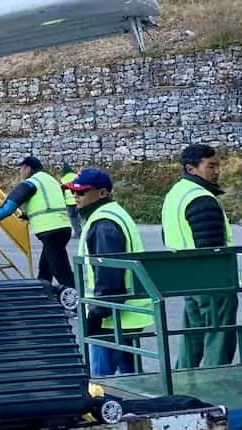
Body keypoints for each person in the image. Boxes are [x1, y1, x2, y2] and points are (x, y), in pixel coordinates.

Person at [66, 167, 153, 376]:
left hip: (111, 318)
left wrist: (96, 316)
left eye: (82, 192)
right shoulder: (113, 214)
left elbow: (109, 275)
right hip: (126, 315)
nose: (75, 197)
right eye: (73, 192)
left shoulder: (103, 223)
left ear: (102, 193)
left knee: (100, 384)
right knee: (131, 379)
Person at [161, 143, 238, 369]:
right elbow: (212, 246)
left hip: (188, 277)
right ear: (191, 169)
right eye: (210, 166)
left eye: (218, 166)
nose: (217, 171)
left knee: (192, 335)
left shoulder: (176, 193)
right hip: (212, 280)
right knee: (219, 338)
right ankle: (215, 383)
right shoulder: (202, 199)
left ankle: (183, 381)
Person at [0, 155, 75, 291]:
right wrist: (29, 215)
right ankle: (44, 294)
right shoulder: (50, 180)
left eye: (21, 169)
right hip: (63, 227)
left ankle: (77, 301)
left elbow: (9, 206)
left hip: (50, 230)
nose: (21, 172)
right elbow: (48, 204)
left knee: (61, 270)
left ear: (28, 168)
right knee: (45, 268)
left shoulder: (31, 182)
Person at [61, 163, 82, 239]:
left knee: (73, 218)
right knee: (80, 217)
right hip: (78, 200)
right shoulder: (76, 176)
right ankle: (83, 231)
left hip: (69, 203)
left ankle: (78, 233)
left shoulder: (63, 179)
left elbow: (62, 191)